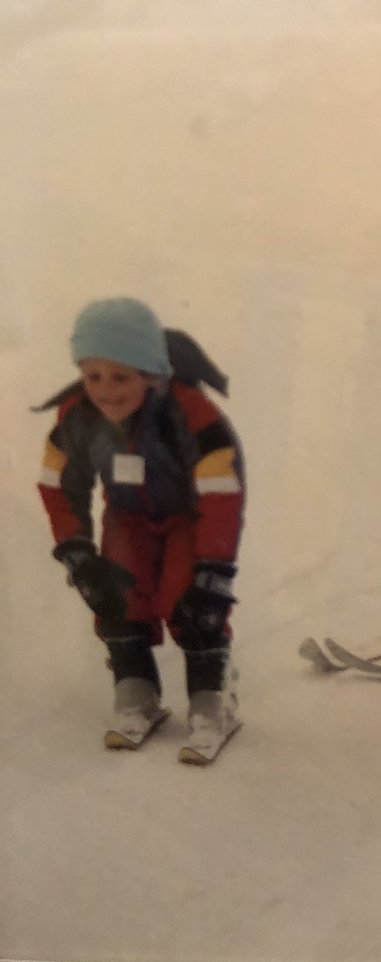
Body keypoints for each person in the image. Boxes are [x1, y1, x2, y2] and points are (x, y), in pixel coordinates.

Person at [36, 297, 245, 760]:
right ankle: (135, 687)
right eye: (93, 376)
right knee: (117, 594)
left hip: (190, 519)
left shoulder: (190, 414)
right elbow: (58, 483)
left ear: (151, 374)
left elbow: (221, 491)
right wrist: (78, 552)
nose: (105, 391)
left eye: (121, 377)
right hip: (127, 518)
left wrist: (213, 570)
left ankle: (212, 693)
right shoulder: (77, 414)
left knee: (186, 600)